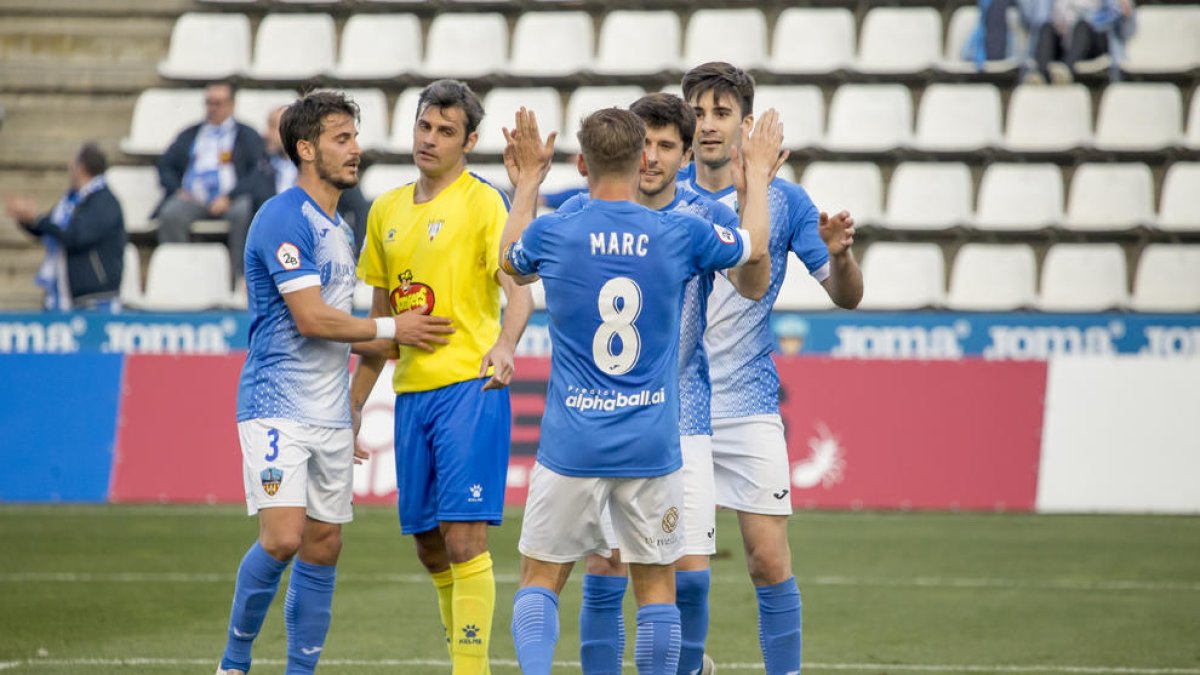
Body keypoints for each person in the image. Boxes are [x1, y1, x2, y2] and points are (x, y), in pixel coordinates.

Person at [499, 103, 781, 675]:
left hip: (570, 444)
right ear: (640, 162)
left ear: (580, 163)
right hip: (652, 444)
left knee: (540, 581)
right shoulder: (677, 231)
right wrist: (756, 175)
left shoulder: (555, 230)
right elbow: (751, 245)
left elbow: (510, 262)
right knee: (655, 589)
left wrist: (527, 180)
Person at [215, 91, 454, 675]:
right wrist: (393, 326)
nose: (355, 149)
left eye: (355, 136)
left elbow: (348, 332)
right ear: (306, 148)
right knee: (282, 539)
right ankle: (233, 662)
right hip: (276, 406)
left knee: (325, 544)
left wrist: (371, 380)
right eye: (341, 139)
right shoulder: (282, 217)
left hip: (326, 413)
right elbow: (313, 320)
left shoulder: (340, 229)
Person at [680, 61, 864, 675]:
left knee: (768, 561)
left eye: (721, 113)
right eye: (698, 113)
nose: (708, 126)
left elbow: (847, 296)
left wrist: (841, 258)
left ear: (746, 123)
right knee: (687, 568)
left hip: (751, 402)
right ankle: (689, 666)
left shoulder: (784, 201)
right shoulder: (662, 191)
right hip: (678, 405)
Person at [348, 79, 534, 675]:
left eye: (445, 131)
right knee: (429, 545)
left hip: (468, 390)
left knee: (463, 539)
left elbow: (520, 292)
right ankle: (465, 656)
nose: (430, 139)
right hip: (411, 398)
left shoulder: (483, 204)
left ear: (469, 141)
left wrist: (505, 345)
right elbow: (381, 323)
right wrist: (352, 405)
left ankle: (469, 669)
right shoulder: (385, 210)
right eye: (424, 126)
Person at [155, 81, 265, 281]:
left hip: (232, 199)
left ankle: (238, 277)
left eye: (218, 103)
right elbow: (165, 165)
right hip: (193, 199)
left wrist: (230, 197)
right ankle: (178, 276)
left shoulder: (247, 135)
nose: (212, 108)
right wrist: (177, 190)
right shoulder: (190, 134)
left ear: (231, 105)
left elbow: (257, 172)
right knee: (171, 213)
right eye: (209, 103)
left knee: (245, 211)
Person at [4, 142, 125, 311]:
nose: (69, 167)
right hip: (63, 291)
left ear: (81, 168)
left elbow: (76, 237)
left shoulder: (104, 202)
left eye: (73, 163)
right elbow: (50, 229)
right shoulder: (71, 201)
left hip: (93, 299)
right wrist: (27, 220)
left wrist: (38, 219)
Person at [252, 106, 373, 252]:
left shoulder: (328, 170)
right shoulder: (262, 166)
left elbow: (359, 208)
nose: (265, 134)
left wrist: (359, 256)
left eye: (273, 127)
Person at [1021, 0, 1137, 83]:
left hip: (1094, 40)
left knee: (1082, 26)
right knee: (1046, 27)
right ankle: (1041, 75)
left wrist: (1126, 15)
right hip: (1062, 41)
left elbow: (1126, 31)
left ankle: (1065, 70)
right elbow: (1031, 19)